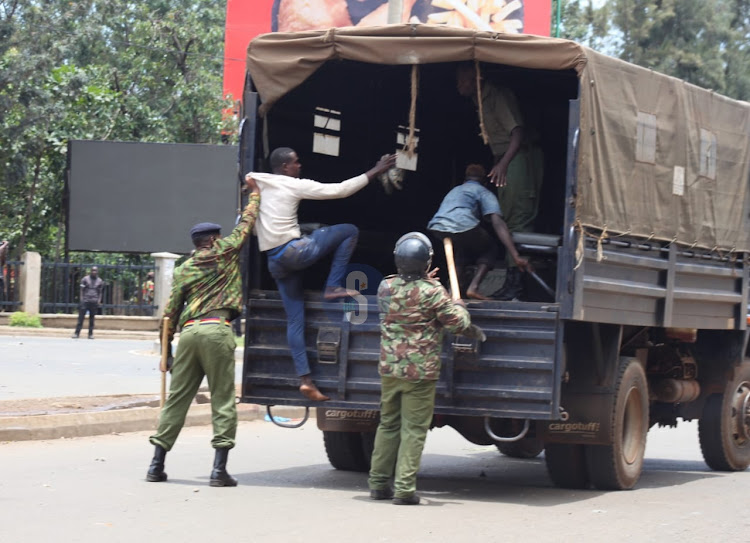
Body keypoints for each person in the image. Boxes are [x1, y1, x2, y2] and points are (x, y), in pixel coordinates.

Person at [248, 147, 396, 402]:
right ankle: (333, 286)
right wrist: (375, 171)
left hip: (275, 261)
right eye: (296, 163)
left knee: (295, 320)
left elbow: (249, 181)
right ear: (285, 167)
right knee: (349, 230)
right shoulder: (291, 184)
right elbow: (339, 190)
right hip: (294, 252)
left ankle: (305, 380)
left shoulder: (259, 183)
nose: (300, 166)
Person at [145, 175, 260, 487]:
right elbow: (246, 226)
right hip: (216, 330)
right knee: (222, 399)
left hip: (189, 335)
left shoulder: (184, 269)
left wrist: (166, 353)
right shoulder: (225, 251)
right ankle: (218, 471)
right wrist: (254, 196)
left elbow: (169, 314)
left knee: (177, 400)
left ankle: (156, 465)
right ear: (213, 240)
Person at [368, 232, 485, 505]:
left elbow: (407, 294)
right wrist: (458, 305)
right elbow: (457, 323)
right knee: (414, 429)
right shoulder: (434, 292)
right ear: (425, 263)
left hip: (390, 369)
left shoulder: (384, 287)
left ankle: (378, 484)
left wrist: (423, 280)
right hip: (419, 373)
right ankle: (405, 490)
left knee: (388, 424)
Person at [456, 62, 544, 300]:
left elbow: (517, 132)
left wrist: (503, 164)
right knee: (505, 216)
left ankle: (517, 287)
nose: (459, 85)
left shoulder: (496, 95)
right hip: (506, 158)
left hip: (518, 157)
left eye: (464, 79)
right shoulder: (478, 99)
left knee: (517, 218)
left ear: (477, 79)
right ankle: (513, 282)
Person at [427, 164, 530, 300]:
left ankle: (452, 291)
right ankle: (473, 288)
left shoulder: (456, 190)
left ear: (465, 180)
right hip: (463, 225)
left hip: (437, 226)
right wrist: (515, 255)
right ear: (485, 182)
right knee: (490, 247)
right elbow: (497, 223)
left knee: (462, 249)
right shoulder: (483, 191)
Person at [72, 266, 104, 339]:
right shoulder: (85, 279)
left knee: (92, 319)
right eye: (92, 270)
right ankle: (77, 333)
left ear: (97, 272)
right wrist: (82, 300)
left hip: (94, 302)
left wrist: (99, 300)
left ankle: (90, 334)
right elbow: (81, 290)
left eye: (95, 271)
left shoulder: (99, 281)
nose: (94, 272)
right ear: (90, 271)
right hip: (85, 301)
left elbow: (100, 292)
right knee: (81, 319)